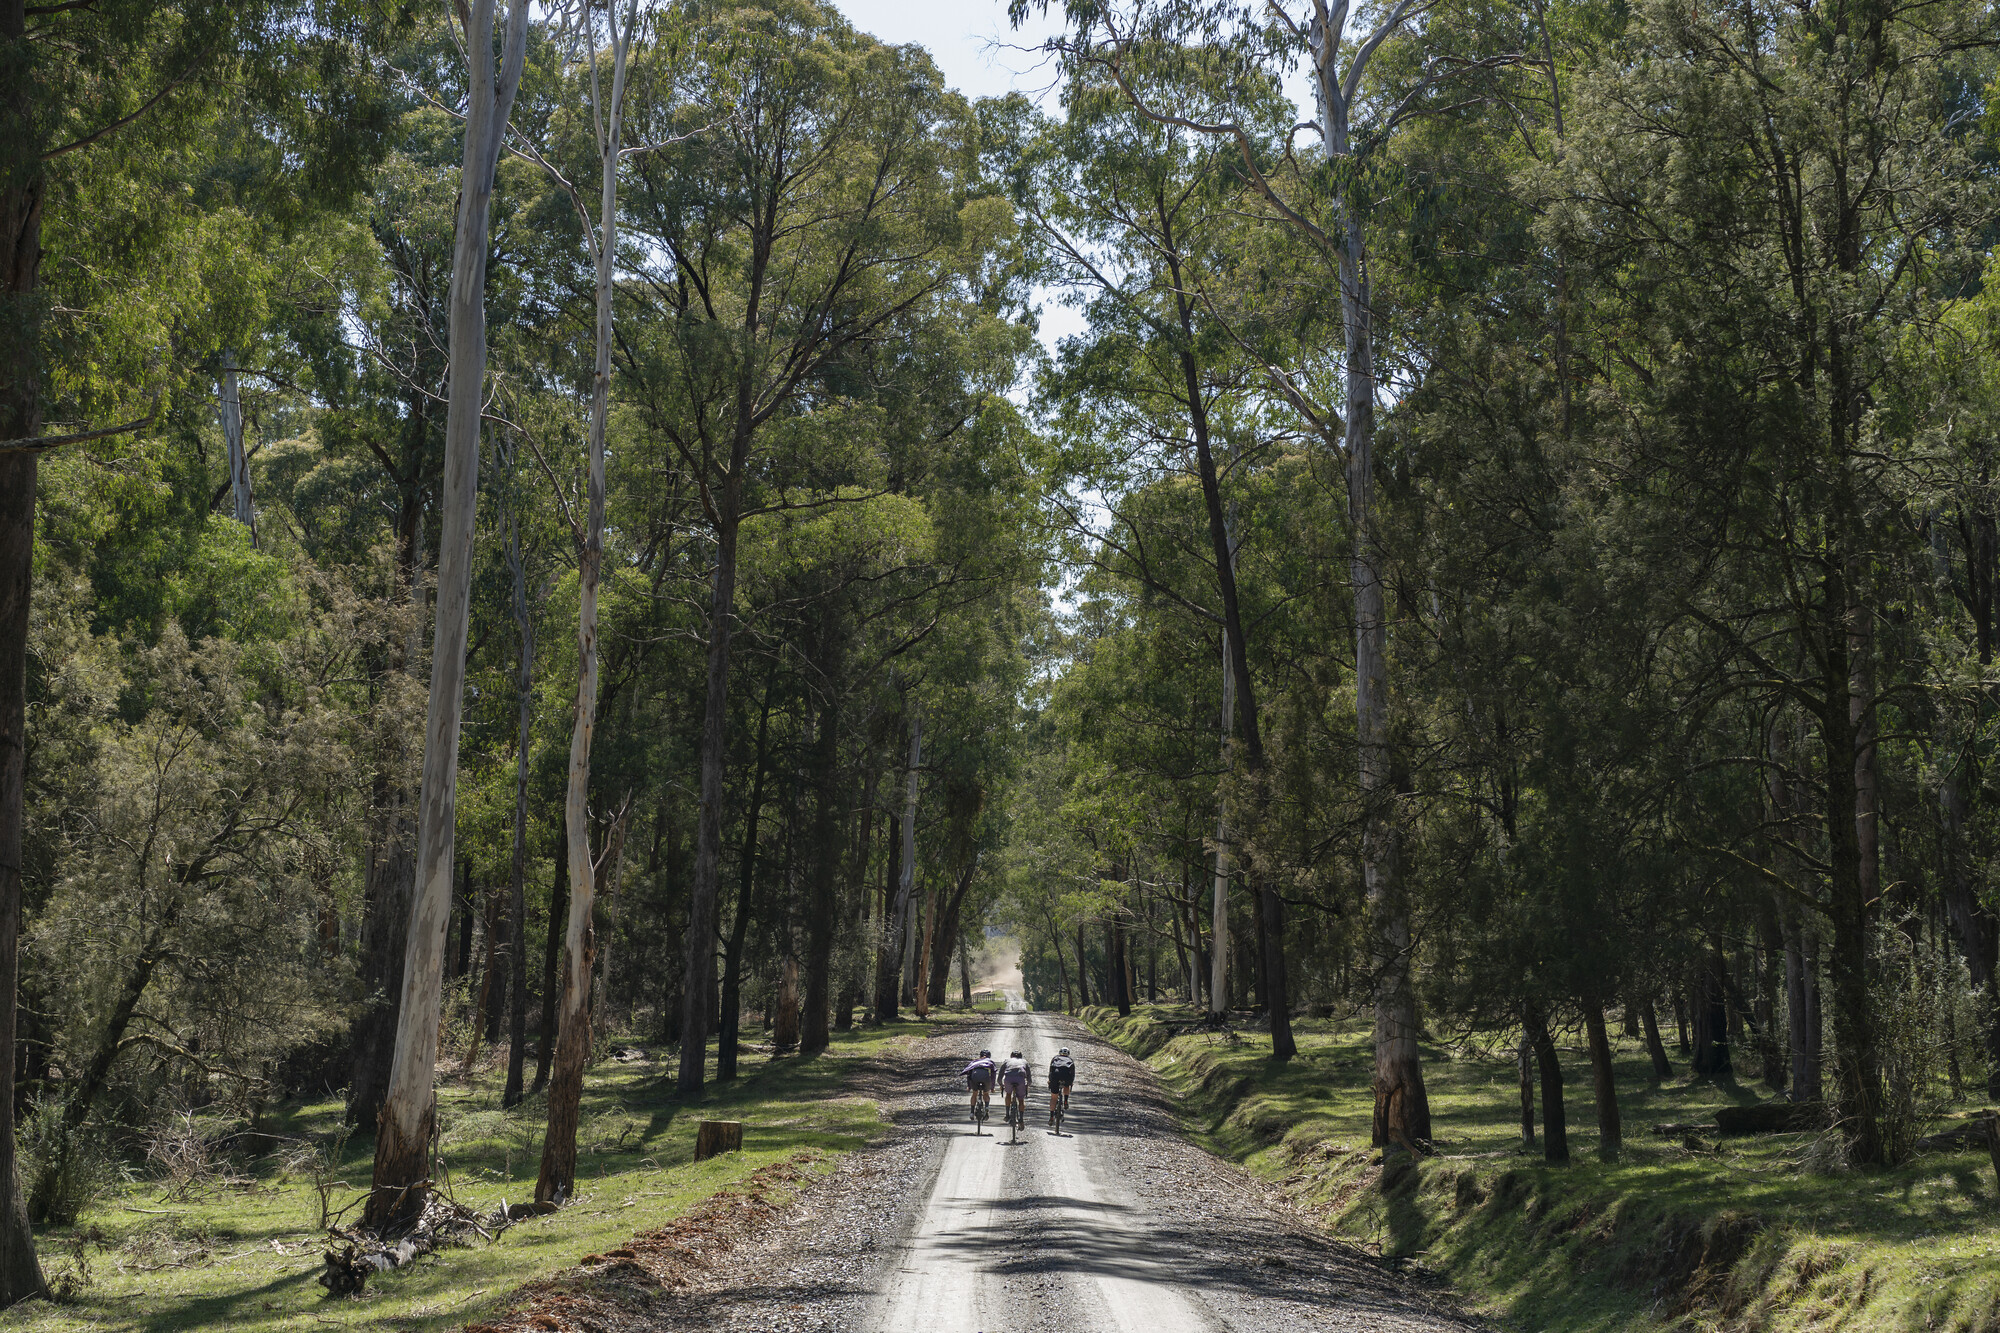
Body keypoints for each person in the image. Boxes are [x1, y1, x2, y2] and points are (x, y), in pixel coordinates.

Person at [999, 1049, 1033, 1125]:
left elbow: (1000, 1075)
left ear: (1011, 1056)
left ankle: (1007, 1114)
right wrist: (1027, 1085)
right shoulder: (1024, 1062)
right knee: (1021, 1099)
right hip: (1020, 1079)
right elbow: (1029, 1077)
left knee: (1008, 1094)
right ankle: (1021, 1118)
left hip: (1008, 1079)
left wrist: (1001, 1084)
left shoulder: (1007, 1061)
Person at [962, 1049, 996, 1121]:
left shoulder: (974, 1061)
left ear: (980, 1056)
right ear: (989, 1056)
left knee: (974, 1093)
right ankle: (986, 1107)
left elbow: (969, 1074)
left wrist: (969, 1086)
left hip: (975, 1077)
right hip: (986, 1078)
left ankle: (971, 1112)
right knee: (986, 1093)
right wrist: (992, 1087)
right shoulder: (990, 1062)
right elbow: (993, 1075)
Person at [1047, 1047, 1076, 1123]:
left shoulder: (1055, 1058)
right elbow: (1072, 1073)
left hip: (1055, 1076)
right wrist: (1071, 1082)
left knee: (1053, 1098)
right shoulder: (1070, 1060)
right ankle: (1065, 1101)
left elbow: (1051, 1071)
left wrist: (1050, 1080)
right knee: (1066, 1085)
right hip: (1066, 1077)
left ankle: (1051, 1117)